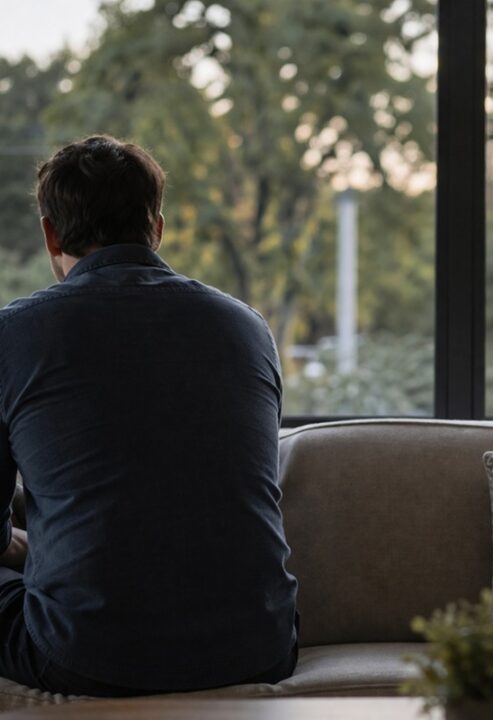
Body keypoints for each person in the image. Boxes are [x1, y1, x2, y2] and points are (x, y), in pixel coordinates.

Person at [0, 136, 299, 695]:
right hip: (260, 648)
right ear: (156, 226)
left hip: (90, 656)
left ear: (51, 234)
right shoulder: (248, 328)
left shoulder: (14, 335)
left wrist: (29, 542)